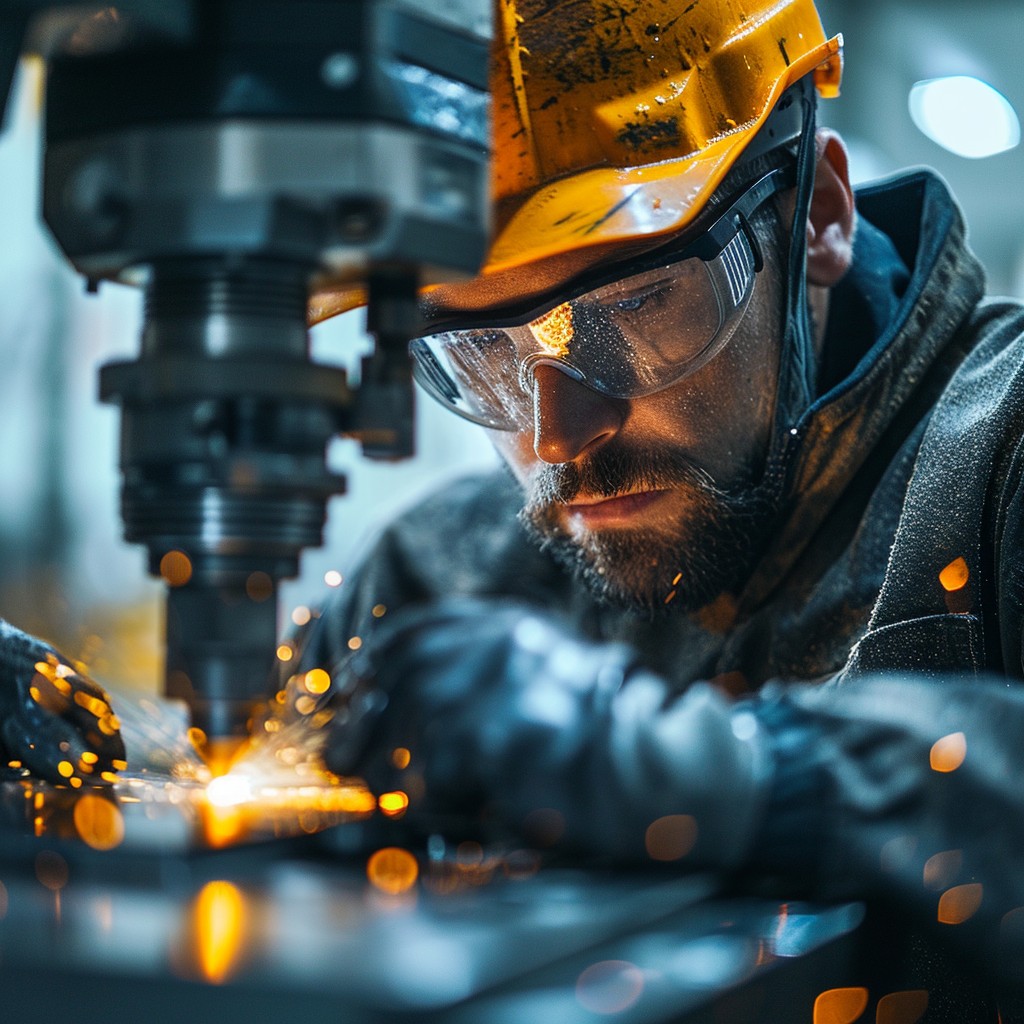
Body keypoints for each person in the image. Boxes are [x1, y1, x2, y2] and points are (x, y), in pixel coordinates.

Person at [302, 0, 1024, 1018]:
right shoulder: (441, 572)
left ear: (818, 213)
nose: (556, 435)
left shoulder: (1002, 453)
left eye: (634, 308)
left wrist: (725, 773)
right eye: (483, 354)